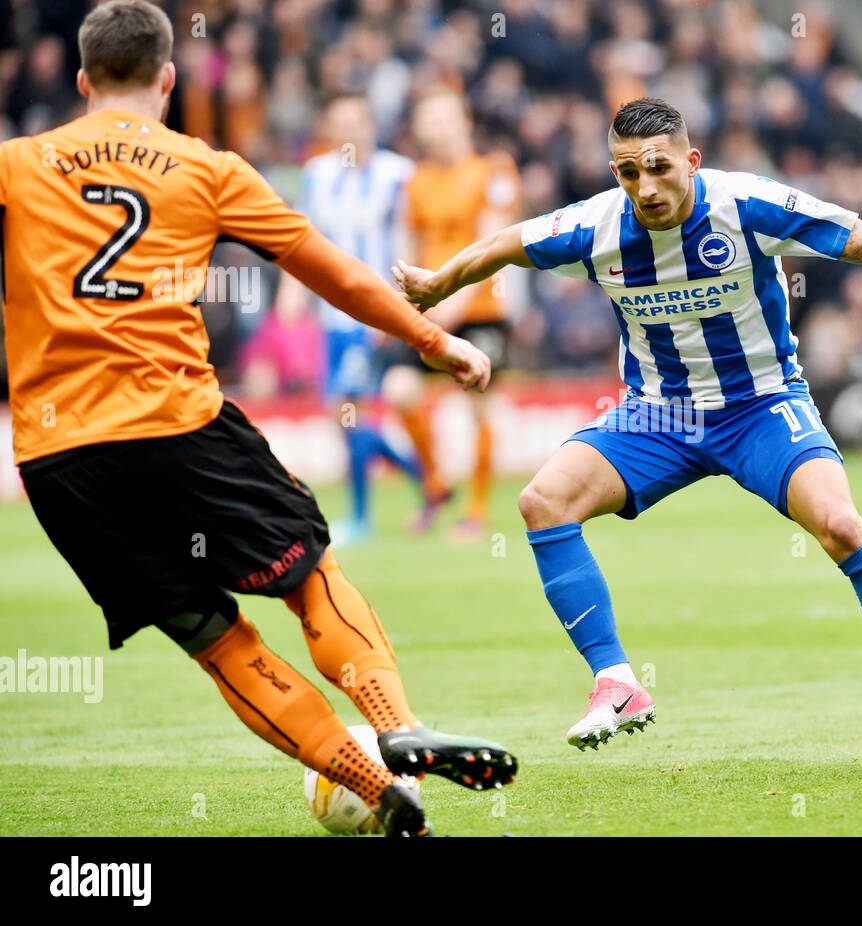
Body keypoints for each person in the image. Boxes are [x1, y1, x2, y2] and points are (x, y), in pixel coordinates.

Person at [0, 0, 515, 836]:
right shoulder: (206, 168)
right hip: (179, 425)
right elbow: (333, 274)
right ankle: (396, 725)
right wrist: (431, 337)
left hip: (61, 463)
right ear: (168, 79)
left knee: (220, 645)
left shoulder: (18, 164)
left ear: (83, 80)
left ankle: (377, 791)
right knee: (310, 578)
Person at [395, 97, 862, 752]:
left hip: (760, 404)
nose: (645, 187)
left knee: (841, 525)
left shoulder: (745, 206)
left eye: (658, 168)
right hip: (659, 413)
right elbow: (504, 245)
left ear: (691, 160)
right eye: (628, 173)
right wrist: (438, 285)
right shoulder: (596, 226)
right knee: (543, 501)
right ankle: (617, 681)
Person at [281, 94, 448, 544]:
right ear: (330, 130)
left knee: (350, 409)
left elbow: (411, 239)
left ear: (371, 125)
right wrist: (291, 295)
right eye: (340, 123)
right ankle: (429, 481)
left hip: (375, 313)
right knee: (342, 413)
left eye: (357, 121)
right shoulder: (317, 176)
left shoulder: (399, 175)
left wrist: (398, 306)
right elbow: (303, 237)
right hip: (333, 316)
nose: (350, 131)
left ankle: (361, 515)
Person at [393, 88, 520, 541]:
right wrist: (407, 302)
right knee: (399, 390)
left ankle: (477, 512)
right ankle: (435, 485)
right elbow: (408, 246)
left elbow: (492, 248)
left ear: (464, 121)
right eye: (428, 120)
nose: (436, 128)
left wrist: (449, 307)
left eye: (444, 118)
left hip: (480, 308)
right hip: (430, 307)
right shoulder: (415, 182)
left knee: (480, 403)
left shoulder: (493, 171)